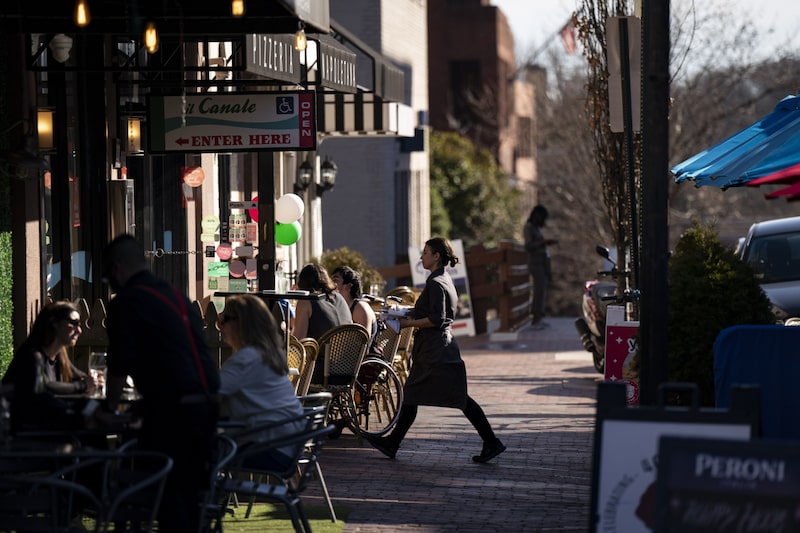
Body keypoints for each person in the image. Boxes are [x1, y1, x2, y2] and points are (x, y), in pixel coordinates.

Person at [102, 234, 221, 533]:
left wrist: (109, 409)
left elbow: (118, 366)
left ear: (117, 269)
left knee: (156, 495)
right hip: (207, 409)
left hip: (174, 416)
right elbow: (181, 356)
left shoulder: (127, 302)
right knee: (187, 501)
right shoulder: (174, 295)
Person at [363, 237, 506, 463]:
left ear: (437, 256)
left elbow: (436, 319)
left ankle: (491, 442)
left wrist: (406, 324)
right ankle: (393, 443)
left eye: (426, 252)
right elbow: (432, 312)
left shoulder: (436, 283)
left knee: (448, 398)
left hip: (435, 350)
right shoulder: (443, 280)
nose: (422, 257)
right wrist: (403, 311)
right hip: (440, 348)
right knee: (417, 395)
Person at [217, 294, 306, 472]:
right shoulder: (267, 355)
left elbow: (206, 391)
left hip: (269, 449)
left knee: (189, 451)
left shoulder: (247, 358)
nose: (220, 325)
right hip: (287, 447)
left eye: (224, 319)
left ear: (240, 323)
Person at [2, 301, 99, 433]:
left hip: (50, 425)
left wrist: (94, 380)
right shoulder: (32, 356)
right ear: (54, 323)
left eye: (79, 325)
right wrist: (83, 385)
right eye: (73, 323)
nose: (79, 331)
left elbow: (80, 376)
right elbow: (44, 386)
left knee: (93, 416)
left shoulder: (59, 357)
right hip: (29, 433)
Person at [331, 265, 378, 350]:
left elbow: (363, 345)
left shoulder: (360, 308)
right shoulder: (337, 307)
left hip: (360, 361)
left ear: (348, 286)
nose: (331, 285)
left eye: (335, 280)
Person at [524, 205, 557, 325]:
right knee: (538, 290)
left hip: (542, 262)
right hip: (535, 262)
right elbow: (528, 246)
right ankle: (536, 317)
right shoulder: (529, 227)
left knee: (542, 290)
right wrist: (543, 242)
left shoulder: (536, 228)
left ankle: (539, 315)